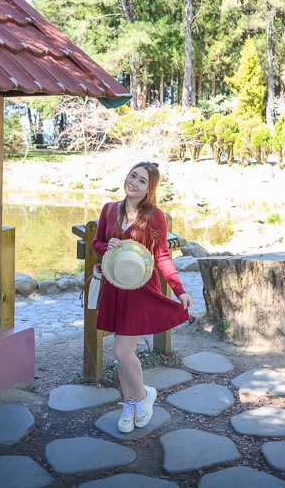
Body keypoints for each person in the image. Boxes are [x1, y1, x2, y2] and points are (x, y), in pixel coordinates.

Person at [93, 161, 192, 433]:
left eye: (142, 181)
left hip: (141, 289)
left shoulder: (155, 216)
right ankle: (128, 405)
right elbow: (97, 243)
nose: (133, 182)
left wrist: (180, 290)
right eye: (132, 176)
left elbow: (161, 256)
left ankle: (143, 396)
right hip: (115, 287)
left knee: (121, 351)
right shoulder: (110, 209)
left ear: (149, 190)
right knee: (126, 353)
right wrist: (107, 245)